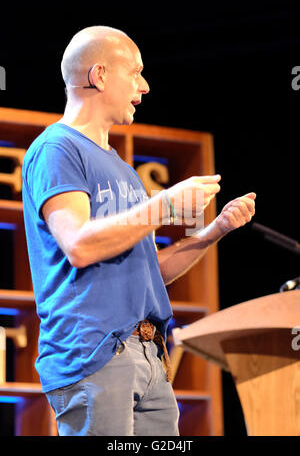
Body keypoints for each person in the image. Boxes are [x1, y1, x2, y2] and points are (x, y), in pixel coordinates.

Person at [22, 25, 256, 436]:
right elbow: (78, 244)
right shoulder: (56, 148)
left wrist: (216, 229)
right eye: (135, 72)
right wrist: (163, 205)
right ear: (99, 75)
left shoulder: (127, 172)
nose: (144, 86)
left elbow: (151, 272)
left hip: (150, 355)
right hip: (93, 351)